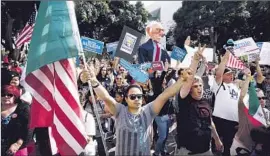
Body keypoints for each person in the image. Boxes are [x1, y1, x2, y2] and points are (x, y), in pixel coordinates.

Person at [84, 63, 188, 155]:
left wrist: (182, 80)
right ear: (126, 99)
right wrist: (94, 82)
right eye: (132, 97)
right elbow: (106, 97)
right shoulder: (120, 111)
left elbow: (165, 95)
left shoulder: (148, 110)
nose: (136, 99)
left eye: (139, 96)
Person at [175, 45, 223, 155]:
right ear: (189, 89)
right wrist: (196, 60)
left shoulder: (206, 101)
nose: (199, 88)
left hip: (207, 150)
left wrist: (216, 139)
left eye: (200, 85)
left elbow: (209, 121)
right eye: (195, 86)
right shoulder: (184, 100)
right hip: (188, 151)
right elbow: (189, 80)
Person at [212, 50, 240, 156]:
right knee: (217, 145)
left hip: (233, 121)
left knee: (228, 145)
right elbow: (218, 73)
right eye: (228, 74)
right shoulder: (218, 85)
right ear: (223, 76)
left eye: (232, 74)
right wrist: (225, 59)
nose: (231, 76)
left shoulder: (236, 86)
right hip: (219, 120)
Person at [1, 85, 32, 156]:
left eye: (9, 95)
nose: (6, 97)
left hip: (16, 149)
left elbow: (28, 129)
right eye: (3, 94)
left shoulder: (23, 108)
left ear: (15, 96)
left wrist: (18, 144)